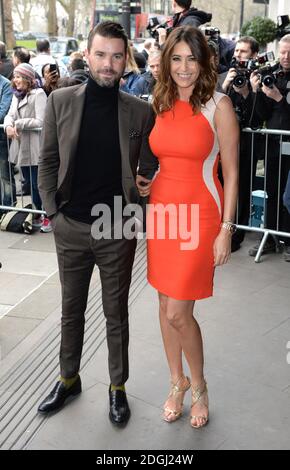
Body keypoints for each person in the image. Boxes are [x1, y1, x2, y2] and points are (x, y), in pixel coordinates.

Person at [37, 21, 158, 425]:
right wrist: (54, 212)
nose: (108, 64)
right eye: (101, 55)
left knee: (115, 311)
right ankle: (68, 379)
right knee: (71, 310)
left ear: (127, 60)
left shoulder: (141, 110)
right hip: (70, 224)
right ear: (87, 56)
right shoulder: (61, 101)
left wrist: (145, 191)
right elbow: (49, 160)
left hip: (116, 227)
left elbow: (152, 166)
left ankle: (117, 387)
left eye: (117, 56)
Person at [137, 26, 238, 428]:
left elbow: (231, 171)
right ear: (166, 62)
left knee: (179, 310)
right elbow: (163, 156)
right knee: (164, 304)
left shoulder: (220, 106)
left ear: (204, 62)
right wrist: (148, 179)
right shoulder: (158, 102)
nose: (183, 68)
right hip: (163, 211)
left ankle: (198, 386)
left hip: (200, 215)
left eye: (191, 59)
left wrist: (226, 229)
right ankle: (175, 381)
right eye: (176, 58)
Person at [248, 34, 290, 261]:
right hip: (273, 144)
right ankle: (272, 238)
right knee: (272, 192)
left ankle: (288, 239)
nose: (285, 57)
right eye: (282, 52)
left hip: (289, 143)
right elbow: (261, 116)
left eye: (289, 53)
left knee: (289, 196)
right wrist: (257, 92)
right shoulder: (271, 74)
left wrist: (279, 99)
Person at [222, 36, 263, 252]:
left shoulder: (257, 78)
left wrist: (247, 92)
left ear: (254, 55)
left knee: (242, 186)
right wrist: (227, 84)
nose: (238, 55)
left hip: (246, 145)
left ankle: (236, 234)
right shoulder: (227, 77)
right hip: (224, 144)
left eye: (243, 52)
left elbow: (256, 118)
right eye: (237, 51)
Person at [3, 63, 47, 229]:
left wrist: (19, 123)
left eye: (20, 76)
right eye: (15, 76)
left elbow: (41, 120)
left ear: (28, 79)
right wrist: (8, 125)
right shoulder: (17, 95)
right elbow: (10, 115)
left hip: (35, 146)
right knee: (29, 183)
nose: (16, 80)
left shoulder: (39, 94)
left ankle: (45, 216)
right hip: (22, 145)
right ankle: (35, 215)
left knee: (38, 184)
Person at [0, 72, 16, 214]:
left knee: (5, 175)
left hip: (1, 139)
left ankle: (9, 210)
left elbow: (3, 112)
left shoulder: (5, 84)